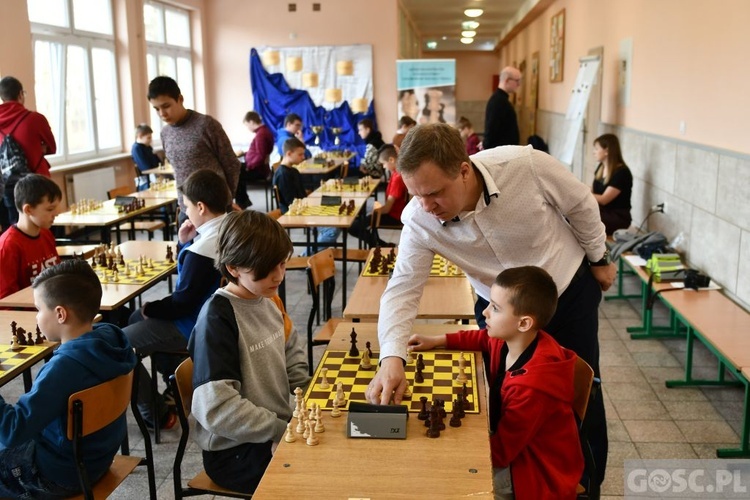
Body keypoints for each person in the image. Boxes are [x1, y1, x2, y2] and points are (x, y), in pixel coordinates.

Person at [365, 124, 613, 484]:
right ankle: (508, 478)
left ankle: (587, 484)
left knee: (579, 398)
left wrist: (599, 257)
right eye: (415, 195)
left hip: (567, 293)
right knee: (500, 400)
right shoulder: (420, 218)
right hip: (498, 311)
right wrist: (392, 356)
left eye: (434, 193)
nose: (425, 206)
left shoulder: (525, 165)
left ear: (464, 169)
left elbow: (582, 205)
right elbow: (402, 288)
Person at [408, 266, 583, 499]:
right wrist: (438, 340)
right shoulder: (513, 339)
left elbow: (499, 454)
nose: (485, 314)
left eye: (496, 308)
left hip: (535, 472)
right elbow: (481, 337)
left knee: (450, 480)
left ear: (523, 323)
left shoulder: (532, 388)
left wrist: (455, 445)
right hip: (515, 445)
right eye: (489, 304)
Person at [188, 210, 310, 493]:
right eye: (266, 268)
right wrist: (280, 430)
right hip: (235, 451)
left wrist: (305, 401)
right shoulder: (217, 320)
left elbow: (292, 353)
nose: (278, 275)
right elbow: (217, 409)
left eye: (281, 263)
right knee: (321, 474)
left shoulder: (267, 299)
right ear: (233, 268)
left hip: (276, 425)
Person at [0, 259, 136, 498]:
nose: (37, 317)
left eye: (39, 309)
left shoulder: (63, 369)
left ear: (60, 314)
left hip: (59, 475)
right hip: (97, 459)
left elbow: (13, 431)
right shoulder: (113, 339)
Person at [123, 169, 229, 429]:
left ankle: (155, 412)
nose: (186, 211)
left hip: (194, 324)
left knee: (119, 346)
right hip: (213, 316)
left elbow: (183, 302)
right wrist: (184, 243)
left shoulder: (202, 251)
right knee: (134, 317)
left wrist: (152, 307)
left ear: (201, 207)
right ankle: (174, 384)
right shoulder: (229, 225)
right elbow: (192, 285)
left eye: (187, 206)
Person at [147, 76, 239, 221]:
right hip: (186, 208)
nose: (162, 113)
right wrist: (182, 203)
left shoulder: (207, 125)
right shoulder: (165, 133)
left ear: (180, 99)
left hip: (215, 208)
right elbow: (178, 171)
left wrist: (227, 199)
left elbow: (231, 163)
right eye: (156, 109)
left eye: (166, 106)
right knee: (186, 244)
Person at [0, 76, 57, 228]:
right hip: (36, 181)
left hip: (8, 185)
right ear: (20, 94)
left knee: (14, 229)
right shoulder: (35, 119)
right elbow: (52, 147)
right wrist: (39, 147)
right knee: (41, 230)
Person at [0, 174, 61, 299]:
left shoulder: (46, 234)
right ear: (28, 210)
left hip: (52, 308)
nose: (56, 213)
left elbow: (57, 277)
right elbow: (7, 301)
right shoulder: (8, 246)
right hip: (28, 315)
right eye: (50, 209)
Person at [273, 138, 340, 251]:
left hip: (304, 207)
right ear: (289, 154)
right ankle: (307, 256)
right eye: (300, 154)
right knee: (332, 230)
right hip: (294, 213)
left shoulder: (294, 171)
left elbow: (303, 196)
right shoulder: (283, 174)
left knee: (336, 205)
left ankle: (317, 256)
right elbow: (292, 202)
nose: (303, 157)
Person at [348, 144, 407, 247]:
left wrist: (373, 212)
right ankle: (379, 244)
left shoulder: (397, 178)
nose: (383, 167)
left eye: (383, 164)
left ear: (391, 160)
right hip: (394, 213)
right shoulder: (396, 173)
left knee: (353, 227)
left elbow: (387, 209)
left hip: (394, 216)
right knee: (359, 220)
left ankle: (377, 245)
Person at [591, 133, 633, 235]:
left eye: (596, 149)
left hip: (617, 217)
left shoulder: (622, 172)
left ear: (607, 151)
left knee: (581, 219)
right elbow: (593, 191)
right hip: (603, 212)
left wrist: (582, 194)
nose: (594, 152)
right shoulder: (601, 167)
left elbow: (604, 200)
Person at [235, 111, 274, 209]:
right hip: (259, 167)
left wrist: (249, 166)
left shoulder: (261, 134)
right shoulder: (263, 132)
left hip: (258, 170)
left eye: (247, 125)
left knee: (235, 173)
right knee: (237, 170)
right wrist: (246, 153)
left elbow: (261, 156)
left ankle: (241, 203)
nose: (248, 128)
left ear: (252, 122)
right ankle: (243, 201)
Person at [483, 67, 522, 150]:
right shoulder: (498, 101)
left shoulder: (501, 99)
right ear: (507, 80)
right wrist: (485, 144)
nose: (519, 84)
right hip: (500, 153)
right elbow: (491, 129)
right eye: (517, 81)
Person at [130, 123, 162, 191]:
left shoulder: (148, 147)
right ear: (140, 136)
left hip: (153, 177)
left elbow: (159, 163)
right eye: (148, 138)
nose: (150, 140)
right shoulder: (136, 148)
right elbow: (145, 167)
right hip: (146, 182)